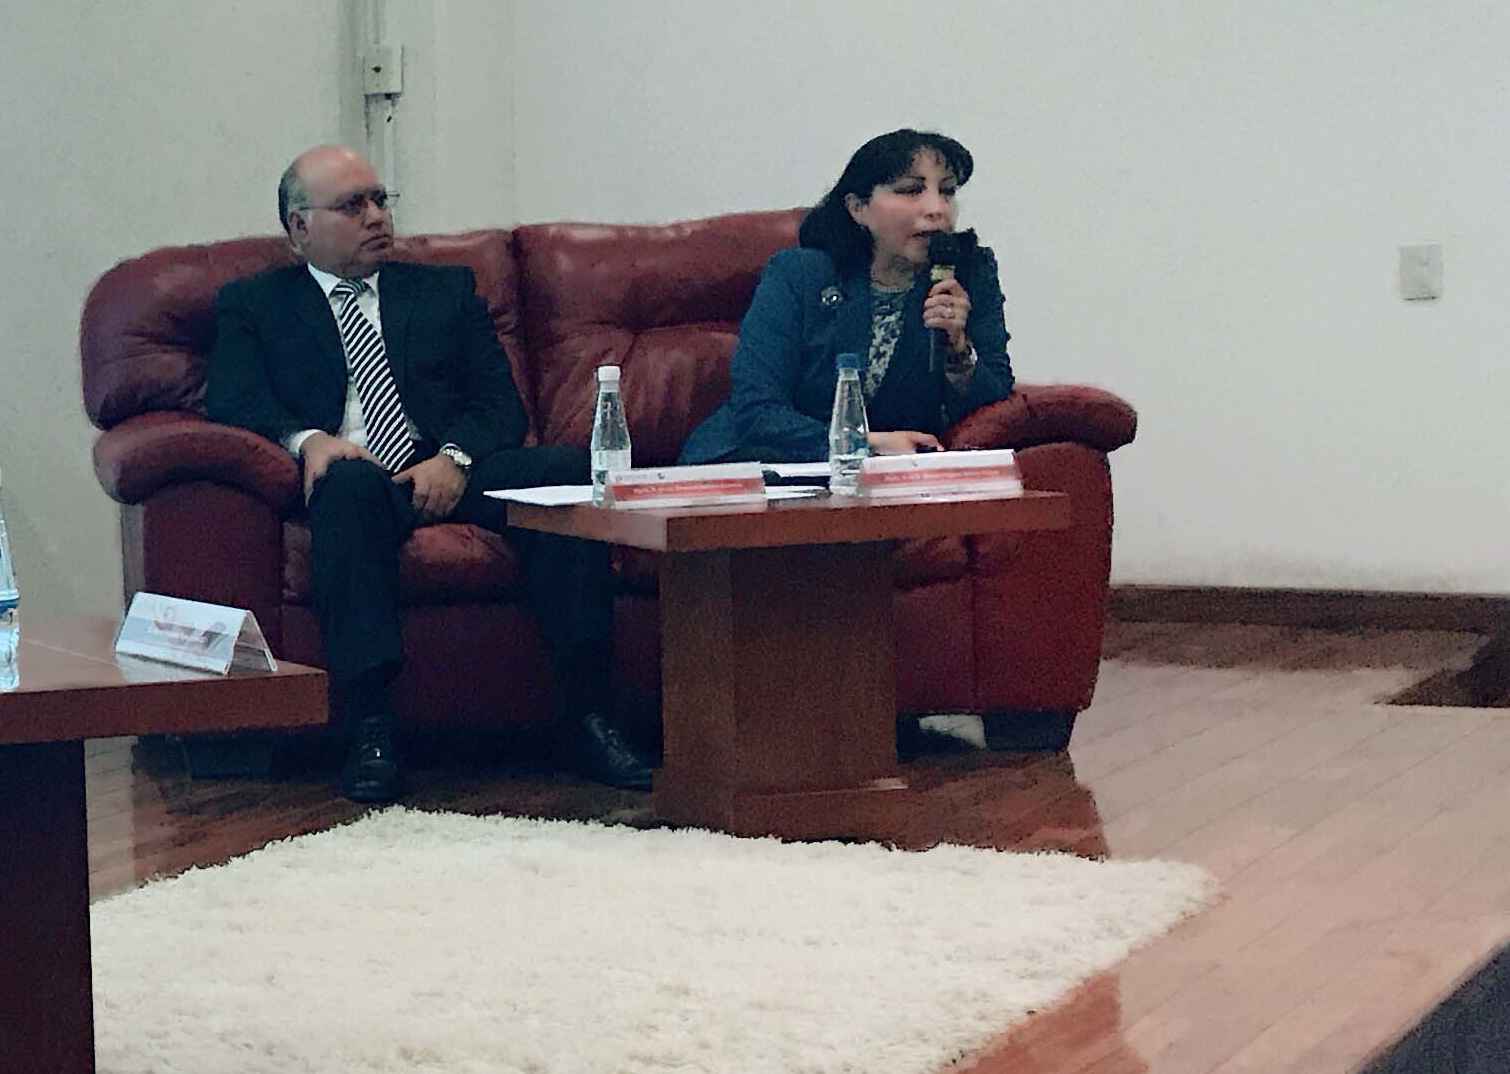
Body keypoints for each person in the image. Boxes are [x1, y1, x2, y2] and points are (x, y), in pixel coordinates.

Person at [204, 147, 655, 807]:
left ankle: (589, 715)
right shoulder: (255, 305)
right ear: (300, 228)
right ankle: (372, 727)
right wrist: (310, 442)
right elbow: (233, 401)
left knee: (560, 473)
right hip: (357, 473)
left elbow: (500, 407)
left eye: (380, 200)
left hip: (451, 465)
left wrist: (456, 459)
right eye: (353, 206)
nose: (376, 216)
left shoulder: (444, 291)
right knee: (346, 486)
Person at [683, 130, 1015, 466]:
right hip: (763, 464)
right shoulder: (799, 274)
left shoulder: (968, 274)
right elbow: (757, 410)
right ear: (858, 208)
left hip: (881, 479)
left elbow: (994, 399)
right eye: (911, 190)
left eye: (947, 191)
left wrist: (957, 349)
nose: (936, 209)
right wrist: (863, 445)